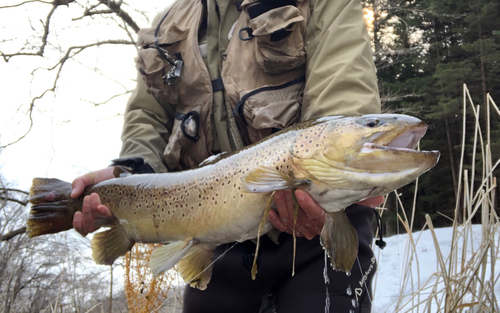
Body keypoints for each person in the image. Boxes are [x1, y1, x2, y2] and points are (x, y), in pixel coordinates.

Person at [71, 0, 384, 312]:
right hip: (216, 239)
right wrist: (131, 172)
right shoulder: (167, 25)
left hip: (321, 223)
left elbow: (344, 96)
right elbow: (147, 118)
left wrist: (321, 178)